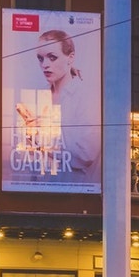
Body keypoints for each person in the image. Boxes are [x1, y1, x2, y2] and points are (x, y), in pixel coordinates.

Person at [14, 28, 101, 180]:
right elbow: (24, 154)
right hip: (38, 187)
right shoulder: (39, 95)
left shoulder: (86, 97)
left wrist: (41, 137)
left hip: (74, 189)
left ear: (70, 58)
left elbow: (85, 154)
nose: (45, 65)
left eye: (52, 57)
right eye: (40, 59)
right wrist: (28, 135)